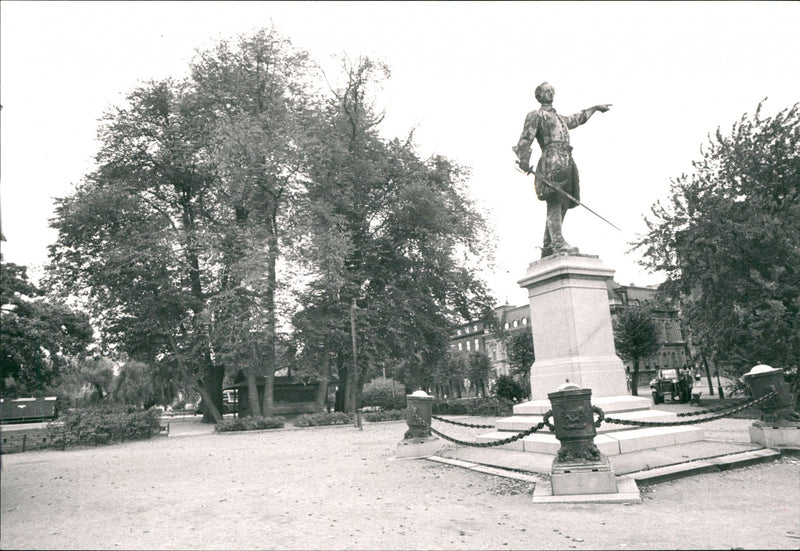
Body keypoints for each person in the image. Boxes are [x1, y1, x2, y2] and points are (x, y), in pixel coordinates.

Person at [513, 82, 611, 257]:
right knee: (555, 199)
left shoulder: (560, 118)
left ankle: (548, 244)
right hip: (552, 159)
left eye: (552, 91)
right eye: (546, 91)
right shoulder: (536, 115)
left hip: (567, 159)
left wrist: (595, 108)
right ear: (539, 96)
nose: (550, 93)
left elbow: (578, 119)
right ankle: (558, 242)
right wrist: (524, 159)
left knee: (564, 200)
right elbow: (525, 137)